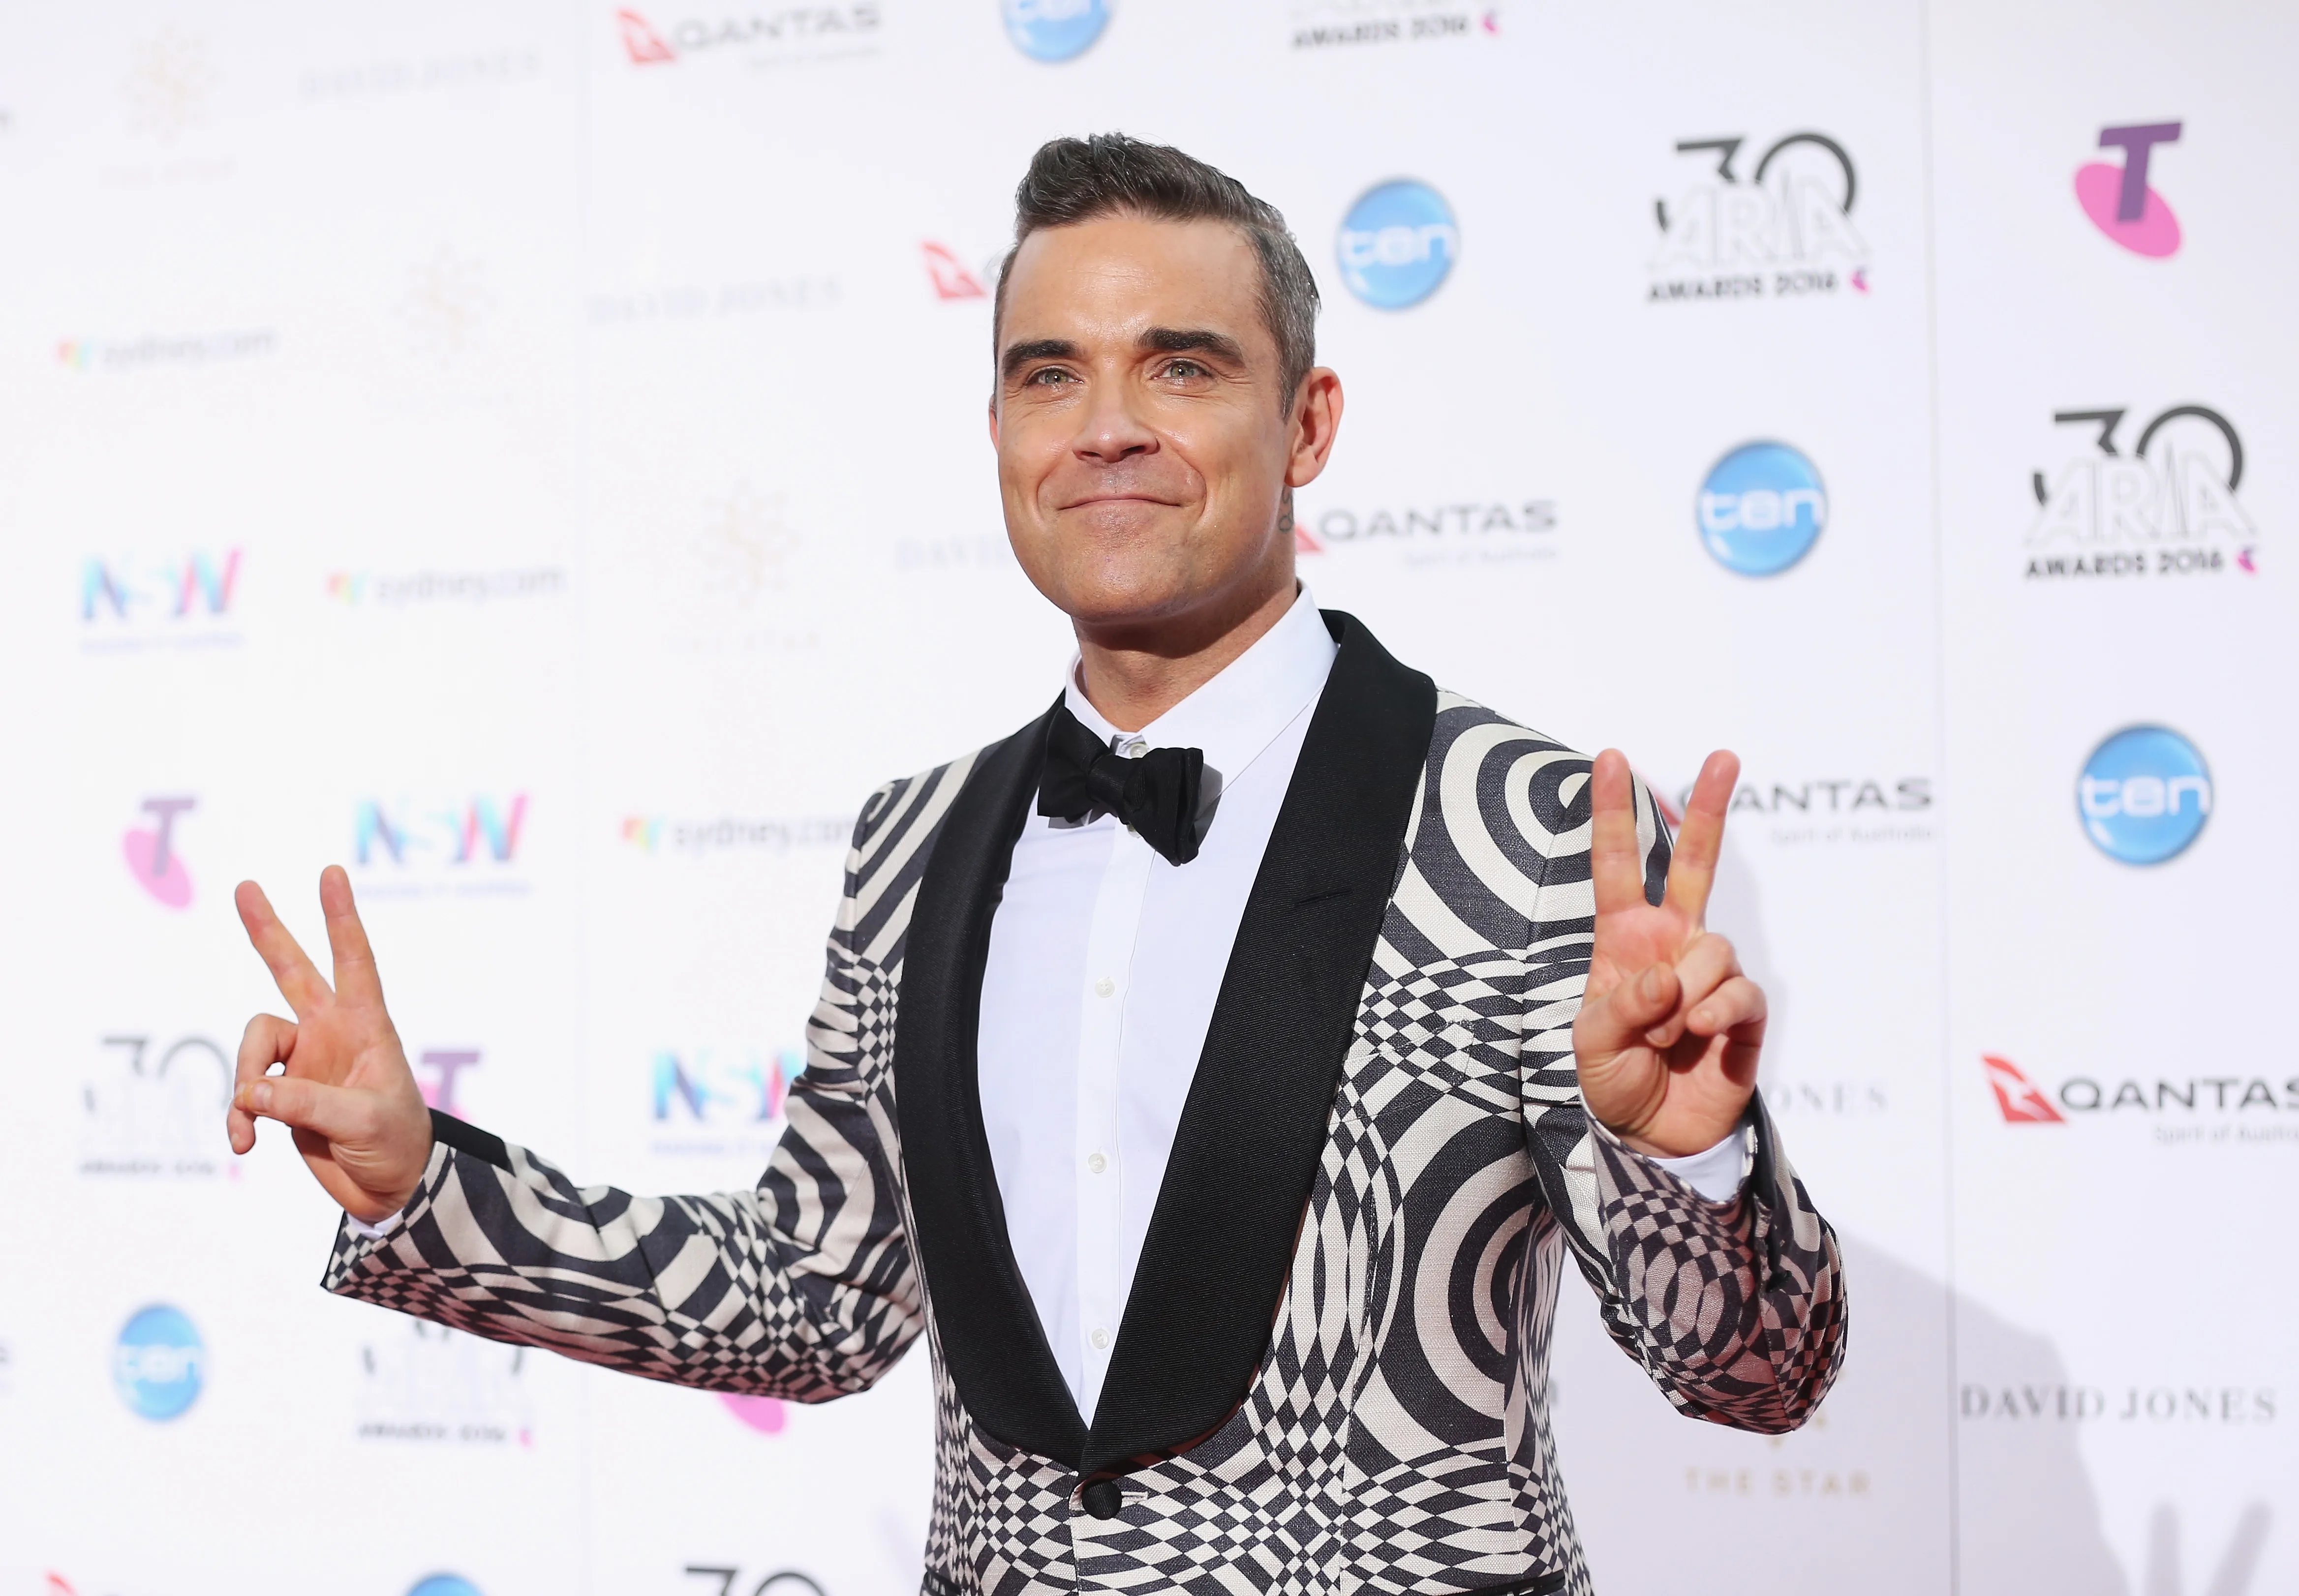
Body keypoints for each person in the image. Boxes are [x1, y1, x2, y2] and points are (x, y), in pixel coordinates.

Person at [228, 134, 1843, 1596]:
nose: (1110, 428)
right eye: (1050, 374)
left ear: (1309, 422)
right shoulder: (914, 841)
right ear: (997, 426)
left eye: (1184, 366)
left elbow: (1765, 1374)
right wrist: (419, 1178)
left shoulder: (1530, 824)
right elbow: (816, 1294)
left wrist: (1691, 1162)